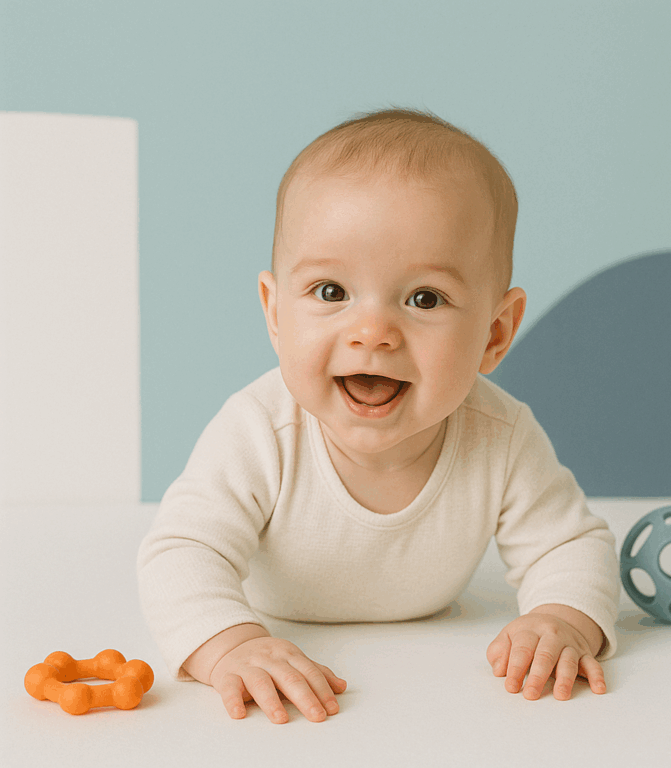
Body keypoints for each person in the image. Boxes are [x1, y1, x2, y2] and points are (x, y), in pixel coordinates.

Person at [137, 106, 620, 724]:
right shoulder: (260, 430)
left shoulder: (499, 436)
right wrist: (231, 644)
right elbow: (182, 551)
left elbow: (570, 544)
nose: (372, 332)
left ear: (495, 334)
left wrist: (562, 618)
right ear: (277, 313)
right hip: (282, 642)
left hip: (431, 696)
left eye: (425, 298)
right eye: (331, 292)